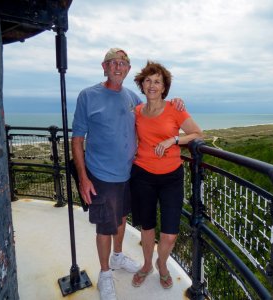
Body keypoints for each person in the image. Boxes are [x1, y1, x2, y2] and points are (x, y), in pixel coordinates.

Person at [71, 48, 184, 300]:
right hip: (100, 174)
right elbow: (77, 139)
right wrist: (83, 177)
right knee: (104, 226)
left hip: (129, 174)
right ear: (104, 66)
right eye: (113, 63)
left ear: (128, 69)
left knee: (121, 219)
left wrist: (176, 102)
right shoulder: (88, 96)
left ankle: (118, 256)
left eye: (123, 63)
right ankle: (104, 274)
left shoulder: (132, 98)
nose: (118, 67)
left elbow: (156, 108)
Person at [130, 61, 203, 289]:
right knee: (147, 227)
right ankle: (147, 265)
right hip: (142, 174)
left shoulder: (175, 108)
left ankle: (162, 264)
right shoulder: (137, 112)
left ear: (164, 87)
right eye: (148, 80)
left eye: (157, 81)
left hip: (171, 177)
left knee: (169, 234)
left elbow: (198, 133)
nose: (152, 85)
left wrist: (174, 139)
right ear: (142, 85)